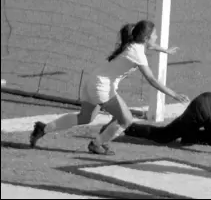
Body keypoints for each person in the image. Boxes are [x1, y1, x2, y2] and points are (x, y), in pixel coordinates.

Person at [29, 20, 189, 155]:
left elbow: (150, 46)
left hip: (93, 81)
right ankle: (97, 144)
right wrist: (174, 94)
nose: (157, 36)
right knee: (126, 119)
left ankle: (44, 128)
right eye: (154, 35)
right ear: (146, 38)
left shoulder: (133, 43)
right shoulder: (138, 53)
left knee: (85, 118)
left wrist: (164, 50)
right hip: (102, 88)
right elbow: (152, 80)